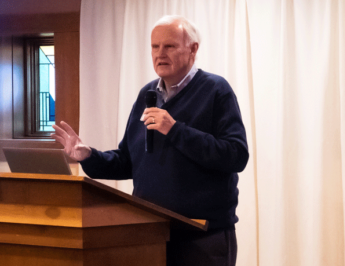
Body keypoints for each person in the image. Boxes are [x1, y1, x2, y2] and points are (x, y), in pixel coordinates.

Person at [52, 15, 249, 266]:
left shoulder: (216, 90)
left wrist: (176, 129)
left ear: (193, 49)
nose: (160, 53)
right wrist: (89, 155)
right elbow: (127, 160)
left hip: (202, 237)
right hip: (151, 234)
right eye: (155, 46)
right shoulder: (147, 95)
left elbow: (236, 155)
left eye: (170, 46)